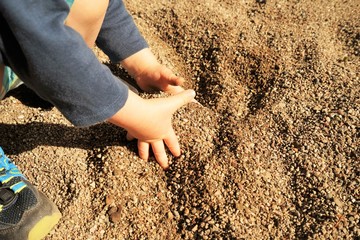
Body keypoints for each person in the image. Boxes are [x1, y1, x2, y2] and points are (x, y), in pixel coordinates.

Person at [0, 0, 195, 239]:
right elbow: (43, 38)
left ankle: (42, 75)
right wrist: (140, 117)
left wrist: (141, 64)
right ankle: (49, 74)